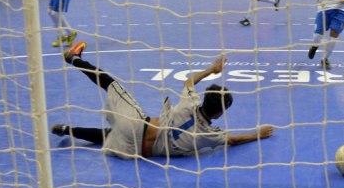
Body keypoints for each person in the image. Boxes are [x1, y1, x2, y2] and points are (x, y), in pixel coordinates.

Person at [50, 43, 274, 158]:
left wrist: (212, 69)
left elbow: (189, 81)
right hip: (136, 153)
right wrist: (258, 134)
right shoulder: (210, 135)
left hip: (137, 125)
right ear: (219, 114)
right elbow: (233, 141)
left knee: (109, 83)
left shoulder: (189, 102)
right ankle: (66, 129)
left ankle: (74, 58)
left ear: (204, 99)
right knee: (108, 136)